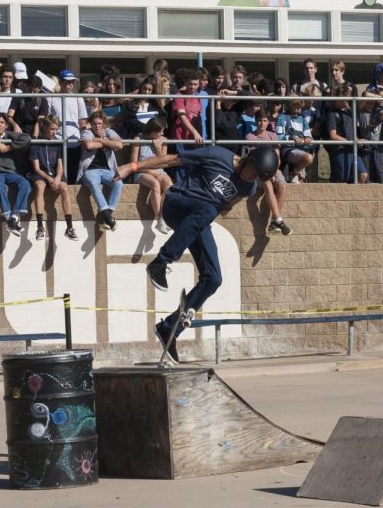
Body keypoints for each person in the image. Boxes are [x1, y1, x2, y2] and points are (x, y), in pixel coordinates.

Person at [118, 147, 279, 364]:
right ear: (248, 159)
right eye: (252, 172)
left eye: (257, 178)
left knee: (213, 278)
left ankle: (168, 330)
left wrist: (225, 208)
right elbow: (172, 160)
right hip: (177, 202)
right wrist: (133, 166)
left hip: (197, 220)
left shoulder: (248, 187)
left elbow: (230, 203)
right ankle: (160, 262)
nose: (252, 178)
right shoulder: (217, 156)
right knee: (208, 210)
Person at [29, 116, 77, 241]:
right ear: (44, 128)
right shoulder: (35, 143)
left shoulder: (57, 142)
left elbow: (60, 165)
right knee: (39, 186)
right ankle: (40, 226)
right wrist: (49, 178)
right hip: (42, 174)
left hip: (55, 174)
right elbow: (37, 168)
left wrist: (58, 177)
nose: (54, 132)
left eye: (56, 129)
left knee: (65, 188)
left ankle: (69, 227)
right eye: (52, 129)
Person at [245, 112, 291, 234]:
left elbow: (277, 156)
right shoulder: (250, 136)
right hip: (258, 171)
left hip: (273, 169)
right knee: (268, 186)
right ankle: (278, 219)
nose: (262, 123)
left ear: (268, 122)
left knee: (281, 186)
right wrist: (267, 174)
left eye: (264, 120)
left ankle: (274, 221)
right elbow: (254, 159)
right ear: (256, 121)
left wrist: (273, 171)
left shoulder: (273, 136)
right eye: (260, 120)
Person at [78, 111, 124, 231]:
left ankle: (106, 216)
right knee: (94, 184)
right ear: (90, 124)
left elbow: (119, 145)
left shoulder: (108, 131)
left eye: (99, 123)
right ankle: (108, 218)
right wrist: (108, 142)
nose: (97, 126)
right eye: (94, 124)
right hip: (90, 170)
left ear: (103, 124)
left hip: (107, 169)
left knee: (118, 183)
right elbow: (89, 145)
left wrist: (100, 141)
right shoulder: (86, 132)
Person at [129, 117, 173, 235]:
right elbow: (134, 164)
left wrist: (158, 148)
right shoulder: (138, 139)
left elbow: (163, 162)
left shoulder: (163, 140)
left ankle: (162, 218)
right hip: (142, 172)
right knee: (155, 184)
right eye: (160, 131)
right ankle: (159, 220)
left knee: (169, 185)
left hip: (159, 170)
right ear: (152, 131)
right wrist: (152, 172)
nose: (162, 133)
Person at [48, 69, 88, 182]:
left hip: (74, 140)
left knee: (73, 173)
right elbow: (48, 120)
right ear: (60, 82)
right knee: (58, 173)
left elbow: (82, 120)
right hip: (57, 141)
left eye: (72, 82)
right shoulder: (51, 98)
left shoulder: (78, 98)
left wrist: (82, 136)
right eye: (67, 81)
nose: (70, 84)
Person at [275, 94, 314, 182]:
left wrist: (308, 138)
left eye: (299, 104)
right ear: (289, 104)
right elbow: (279, 136)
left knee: (301, 181)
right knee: (308, 158)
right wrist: (293, 140)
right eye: (294, 104)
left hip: (302, 149)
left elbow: (308, 133)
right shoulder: (282, 117)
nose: (297, 106)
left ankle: (295, 174)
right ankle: (295, 173)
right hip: (288, 149)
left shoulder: (302, 118)